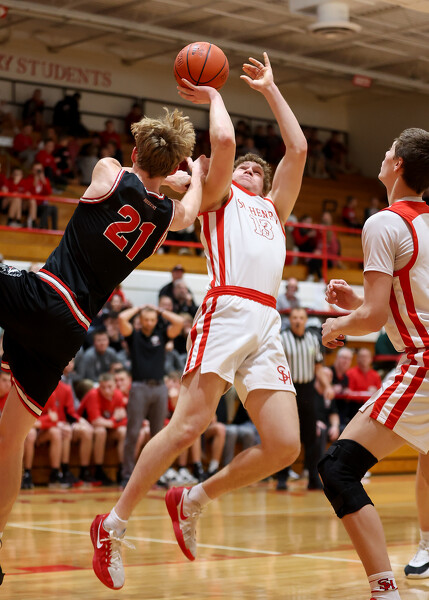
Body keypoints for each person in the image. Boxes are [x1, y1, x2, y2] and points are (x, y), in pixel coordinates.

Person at [90, 51, 306, 590]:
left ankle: (192, 498)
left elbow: (298, 149)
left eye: (258, 169)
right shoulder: (217, 195)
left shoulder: (274, 210)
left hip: (267, 322)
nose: (251, 170)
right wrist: (213, 94)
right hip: (227, 308)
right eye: (245, 167)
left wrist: (271, 90)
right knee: (188, 426)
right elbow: (225, 143)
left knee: (285, 445)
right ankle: (112, 524)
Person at [0, 105, 207, 584]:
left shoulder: (109, 173)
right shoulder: (166, 218)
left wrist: (166, 176)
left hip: (46, 293)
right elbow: (190, 211)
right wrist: (190, 178)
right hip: (70, 330)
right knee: (10, 442)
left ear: (134, 152)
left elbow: (130, 174)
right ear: (170, 165)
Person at [319, 127, 429, 600]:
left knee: (338, 469)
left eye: (388, 151)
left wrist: (337, 325)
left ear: (398, 164)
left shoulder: (384, 222)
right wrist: (359, 303)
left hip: (424, 361)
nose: (383, 156)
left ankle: (384, 591)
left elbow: (374, 318)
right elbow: (401, 303)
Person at [118, 304, 184, 488]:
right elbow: (122, 318)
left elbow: (179, 322)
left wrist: (159, 310)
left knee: (158, 435)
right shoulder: (134, 336)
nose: (149, 323)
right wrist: (139, 309)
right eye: (146, 320)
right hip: (139, 387)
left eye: (152, 320)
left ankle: (154, 476)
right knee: (133, 432)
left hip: (160, 388)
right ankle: (127, 475)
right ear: (140, 320)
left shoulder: (161, 335)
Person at [278, 307, 333, 490]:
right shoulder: (282, 338)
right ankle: (282, 477)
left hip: (308, 391)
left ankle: (312, 478)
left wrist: (327, 386)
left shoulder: (312, 339)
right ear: (290, 320)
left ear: (306, 320)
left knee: (311, 437)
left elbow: (318, 367)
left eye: (301, 318)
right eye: (294, 317)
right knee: (287, 436)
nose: (298, 321)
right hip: (289, 391)